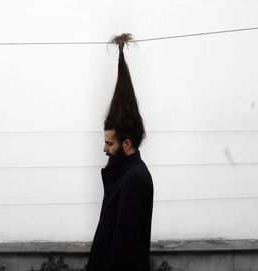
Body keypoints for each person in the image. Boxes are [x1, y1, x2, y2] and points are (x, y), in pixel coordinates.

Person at [86, 34, 154, 271]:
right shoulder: (123, 174)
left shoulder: (134, 179)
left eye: (110, 144)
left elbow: (123, 248)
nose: (104, 148)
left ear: (126, 145)